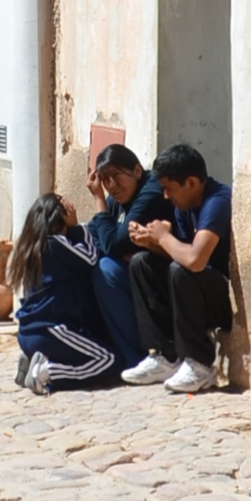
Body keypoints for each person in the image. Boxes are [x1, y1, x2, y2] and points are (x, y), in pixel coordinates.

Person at [122, 141, 234, 396]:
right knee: (142, 262)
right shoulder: (184, 206)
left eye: (169, 189)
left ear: (192, 183)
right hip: (196, 291)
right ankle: (165, 357)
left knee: (181, 271)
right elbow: (181, 251)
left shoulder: (217, 201)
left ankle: (199, 363)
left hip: (221, 299)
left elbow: (195, 260)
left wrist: (163, 238)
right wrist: (151, 242)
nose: (165, 196)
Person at [6, 192, 121, 393]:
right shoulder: (55, 244)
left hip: (28, 332)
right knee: (110, 359)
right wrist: (76, 227)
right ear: (58, 221)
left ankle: (36, 359)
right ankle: (47, 371)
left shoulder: (31, 248)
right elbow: (90, 258)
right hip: (51, 330)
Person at [81, 143, 155, 365]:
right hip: (136, 275)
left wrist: (98, 199)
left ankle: (135, 357)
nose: (112, 186)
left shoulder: (149, 192)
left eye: (116, 176)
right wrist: (115, 247)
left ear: (137, 171)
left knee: (107, 270)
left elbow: (112, 243)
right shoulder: (119, 198)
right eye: (105, 180)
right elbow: (96, 237)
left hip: (160, 278)